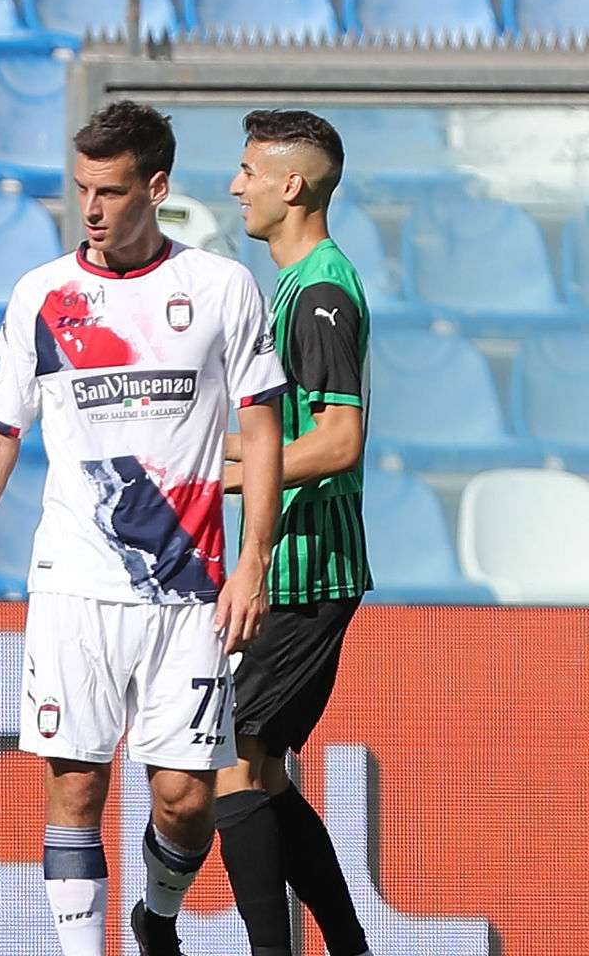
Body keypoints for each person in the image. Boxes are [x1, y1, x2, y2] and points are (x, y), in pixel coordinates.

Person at [0, 101, 288, 956]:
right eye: (82, 187)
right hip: (75, 581)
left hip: (193, 588)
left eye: (111, 190)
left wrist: (254, 562)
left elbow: (263, 428)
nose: (90, 207)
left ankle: (156, 918)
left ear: (155, 188)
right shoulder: (43, 295)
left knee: (185, 802)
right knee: (76, 786)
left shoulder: (220, 288)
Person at [216, 110, 374, 956]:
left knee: (228, 766)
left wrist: (229, 474)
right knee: (264, 771)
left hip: (308, 574)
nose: (235, 185)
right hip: (298, 572)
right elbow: (284, 436)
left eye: (247, 170)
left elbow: (341, 440)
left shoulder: (317, 292)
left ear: (293, 185)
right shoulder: (296, 282)